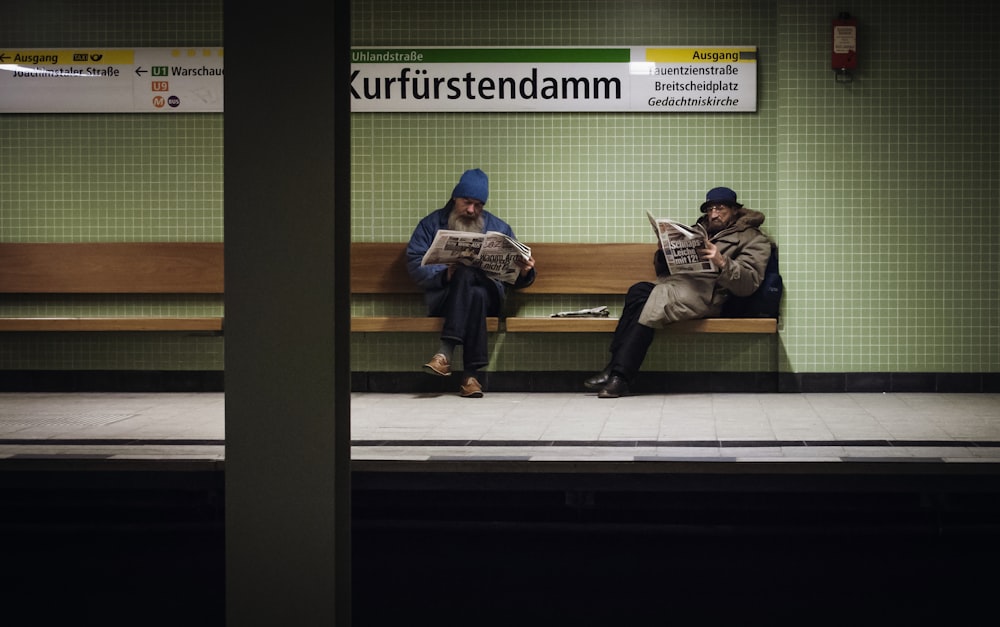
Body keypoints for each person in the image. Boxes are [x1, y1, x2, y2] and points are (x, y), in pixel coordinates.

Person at [584, 186, 772, 398]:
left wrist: (721, 261)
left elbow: (749, 283)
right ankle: (615, 367)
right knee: (638, 291)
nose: (713, 214)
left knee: (657, 296)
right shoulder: (696, 230)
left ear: (735, 210)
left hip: (708, 295)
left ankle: (620, 375)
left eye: (720, 209)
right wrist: (665, 251)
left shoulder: (753, 239)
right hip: (677, 285)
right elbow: (664, 269)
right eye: (710, 209)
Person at [406, 168, 536, 398]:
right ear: (455, 197)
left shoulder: (498, 228)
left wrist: (525, 271)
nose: (471, 210)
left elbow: (515, 276)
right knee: (471, 287)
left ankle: (445, 353)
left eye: (478, 205)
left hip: (491, 299)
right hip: (446, 299)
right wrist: (446, 273)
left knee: (469, 275)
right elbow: (415, 264)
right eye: (467, 202)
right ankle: (470, 376)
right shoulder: (430, 224)